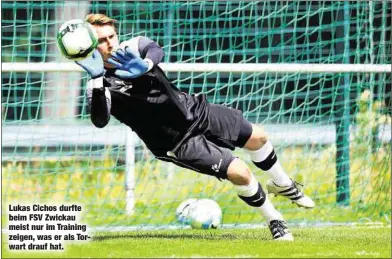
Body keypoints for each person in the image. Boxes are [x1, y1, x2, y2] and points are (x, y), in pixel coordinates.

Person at [75, 13, 315, 241]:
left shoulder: (132, 48)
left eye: (111, 36)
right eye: (101, 41)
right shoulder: (99, 85)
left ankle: (283, 184)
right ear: (90, 47)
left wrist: (146, 64)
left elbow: (155, 49)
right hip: (176, 142)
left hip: (193, 110)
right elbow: (100, 119)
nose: (109, 43)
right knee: (240, 172)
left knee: (259, 137)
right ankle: (275, 220)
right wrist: (97, 80)